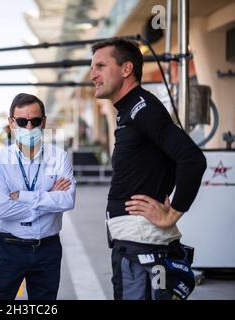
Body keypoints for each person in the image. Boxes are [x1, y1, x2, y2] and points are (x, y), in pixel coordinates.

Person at [89, 38, 207, 300]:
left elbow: (192, 159)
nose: (92, 74)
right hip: (136, 241)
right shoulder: (129, 110)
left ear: (126, 68)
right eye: (92, 67)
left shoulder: (143, 107)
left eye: (100, 66)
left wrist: (172, 214)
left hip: (142, 242)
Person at [0, 93, 76, 300]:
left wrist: (23, 197)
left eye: (35, 121)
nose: (29, 128)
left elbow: (68, 200)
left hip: (47, 248)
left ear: (43, 122)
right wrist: (49, 197)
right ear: (11, 123)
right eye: (22, 122)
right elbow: (2, 209)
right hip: (8, 247)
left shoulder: (58, 157)